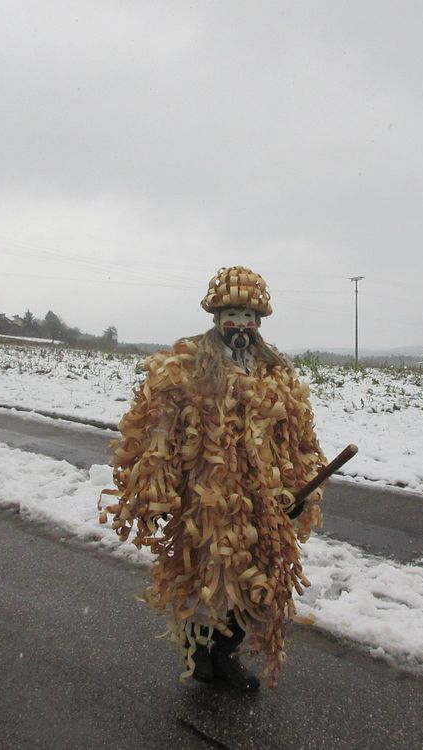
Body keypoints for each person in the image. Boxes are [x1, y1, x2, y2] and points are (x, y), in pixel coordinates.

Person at [103, 266, 327, 691]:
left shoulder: (274, 371)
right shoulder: (187, 367)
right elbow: (159, 431)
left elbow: (294, 435)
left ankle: (223, 655)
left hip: (262, 501)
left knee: (256, 580)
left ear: (258, 322)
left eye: (248, 315)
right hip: (207, 502)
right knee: (209, 581)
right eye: (232, 314)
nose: (240, 324)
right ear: (216, 317)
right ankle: (202, 656)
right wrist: (155, 490)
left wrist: (297, 487)